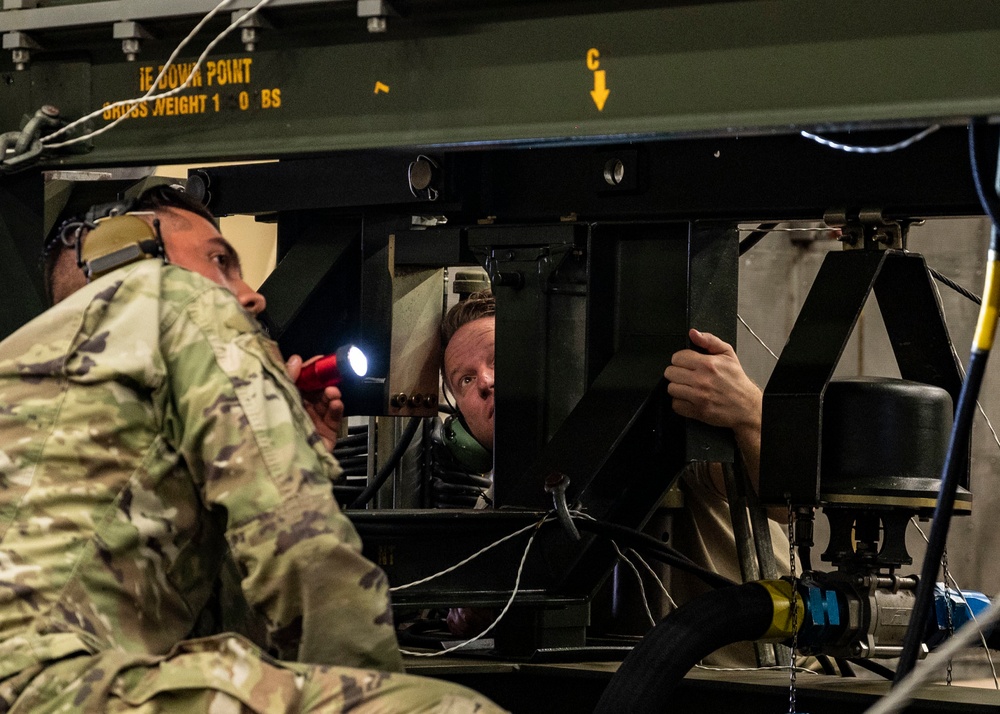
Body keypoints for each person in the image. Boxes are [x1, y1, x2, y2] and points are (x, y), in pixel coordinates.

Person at [0, 185, 505, 713]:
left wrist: (302, 452)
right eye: (220, 261)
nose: (251, 295)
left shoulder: (36, 372)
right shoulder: (180, 302)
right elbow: (304, 558)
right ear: (126, 249)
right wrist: (376, 688)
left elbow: (227, 627)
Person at [439, 290, 791, 665]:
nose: (486, 382)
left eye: (499, 359)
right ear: (462, 424)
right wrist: (475, 610)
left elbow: (786, 503)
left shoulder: (663, 433)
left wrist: (750, 412)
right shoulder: (494, 509)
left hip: (763, 679)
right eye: (465, 380)